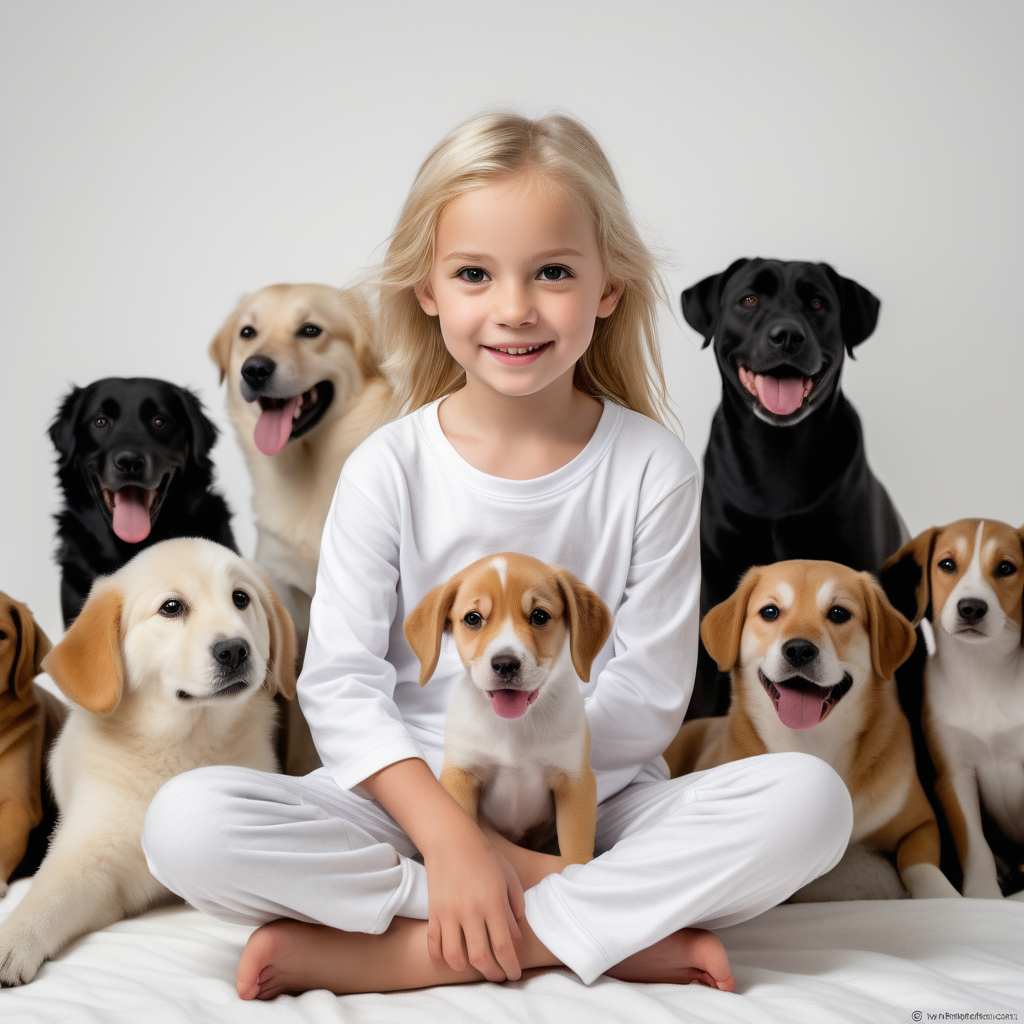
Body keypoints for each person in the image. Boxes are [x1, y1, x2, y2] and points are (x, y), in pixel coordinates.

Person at [141, 110, 852, 999]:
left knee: (811, 805)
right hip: (406, 803)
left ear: (608, 287)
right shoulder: (387, 466)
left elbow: (647, 695)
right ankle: (583, 918)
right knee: (184, 825)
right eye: (475, 273)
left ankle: (398, 951)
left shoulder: (653, 467)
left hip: (593, 800)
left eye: (553, 271)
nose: (514, 307)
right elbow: (341, 686)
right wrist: (451, 839)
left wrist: (514, 833)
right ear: (428, 290)